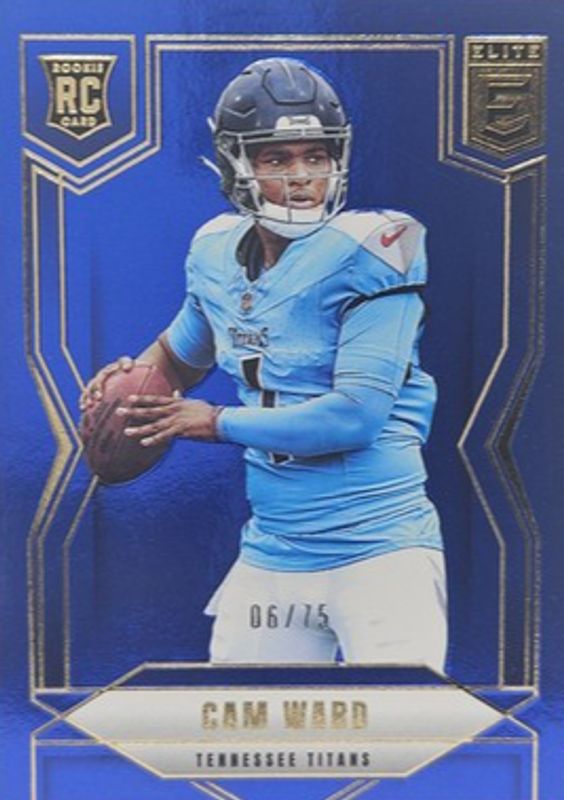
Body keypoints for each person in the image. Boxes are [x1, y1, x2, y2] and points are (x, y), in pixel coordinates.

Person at [80, 58, 447, 671]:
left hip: (381, 549)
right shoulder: (216, 251)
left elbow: (355, 417)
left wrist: (213, 421)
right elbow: (179, 355)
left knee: (397, 726)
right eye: (277, 159)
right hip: (276, 549)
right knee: (245, 721)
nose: (302, 178)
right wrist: (133, 384)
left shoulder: (377, 248)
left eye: (317, 156)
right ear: (235, 166)